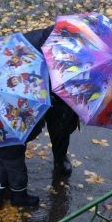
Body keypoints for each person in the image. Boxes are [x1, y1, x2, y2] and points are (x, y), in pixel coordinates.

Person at [23, 25, 80, 177]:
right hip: (33, 90)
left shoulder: (77, 50)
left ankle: (60, 158)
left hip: (63, 93)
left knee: (62, 127)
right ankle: (14, 158)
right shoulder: (28, 46)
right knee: (24, 127)